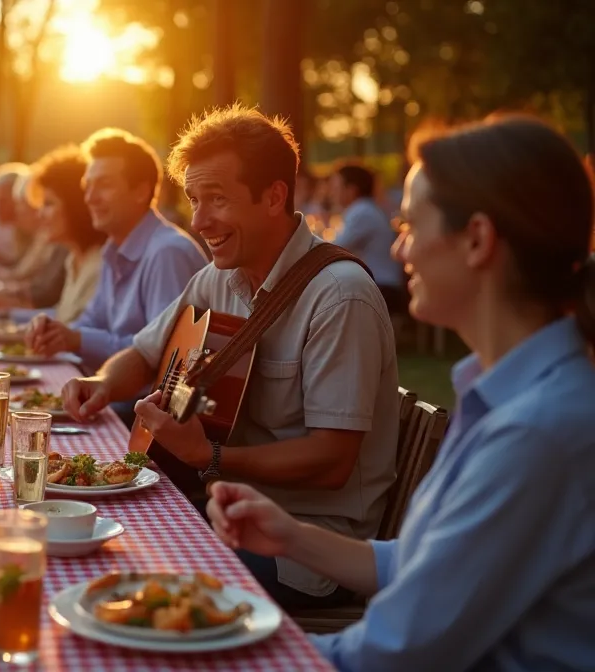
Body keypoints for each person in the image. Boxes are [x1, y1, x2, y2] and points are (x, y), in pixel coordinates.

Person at [208, 114, 595, 671]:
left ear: (479, 240)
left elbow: (390, 655)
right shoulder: (512, 398)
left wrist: (204, 653)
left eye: (410, 225)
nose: (400, 250)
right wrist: (292, 536)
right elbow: (426, 565)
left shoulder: (535, 434)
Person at [61, 105, 399, 609]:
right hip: (224, 507)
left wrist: (210, 458)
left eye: (217, 199)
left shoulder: (339, 296)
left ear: (274, 197)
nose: (199, 222)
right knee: (79, 535)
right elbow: (143, 351)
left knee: (124, 576)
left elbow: (332, 461)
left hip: (305, 547)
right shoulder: (217, 277)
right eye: (194, 200)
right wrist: (103, 384)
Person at [26, 128, 208, 371]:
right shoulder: (113, 249)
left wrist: (77, 339)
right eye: (87, 186)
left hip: (134, 407)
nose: (90, 198)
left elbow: (165, 355)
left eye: (104, 185)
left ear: (141, 191)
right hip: (108, 394)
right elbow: (93, 320)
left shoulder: (167, 253)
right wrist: (56, 331)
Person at [0, 145, 107, 324]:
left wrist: (8, 313)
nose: (40, 214)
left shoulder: (102, 263)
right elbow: (61, 316)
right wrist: (7, 314)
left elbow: (78, 333)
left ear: (75, 207)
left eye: (48, 204)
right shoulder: (74, 259)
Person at [330, 162, 407, 313]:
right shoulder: (366, 209)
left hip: (381, 286)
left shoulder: (361, 211)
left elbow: (332, 250)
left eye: (335, 187)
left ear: (351, 190)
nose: (331, 193)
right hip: (382, 285)